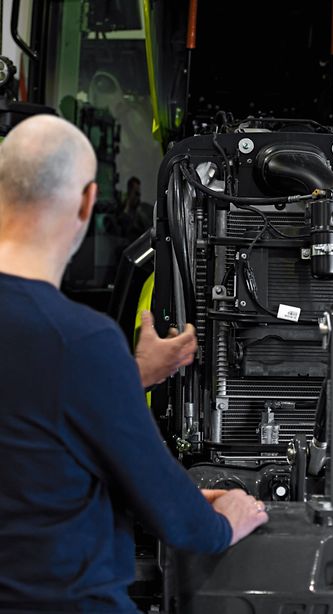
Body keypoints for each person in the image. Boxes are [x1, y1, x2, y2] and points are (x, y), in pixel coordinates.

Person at [0, 115, 268, 613]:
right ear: (87, 201)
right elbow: (184, 524)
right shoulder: (79, 343)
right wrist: (229, 514)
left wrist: (131, 375)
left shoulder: (77, 353)